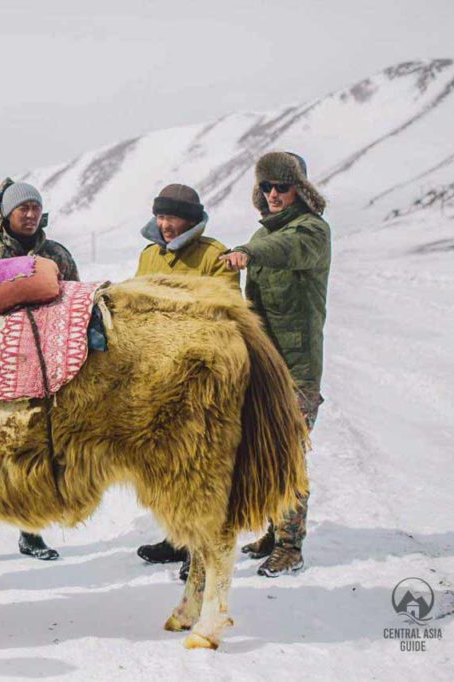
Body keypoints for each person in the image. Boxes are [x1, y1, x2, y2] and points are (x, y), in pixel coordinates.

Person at [219, 150, 330, 578]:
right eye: (265, 187)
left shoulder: (312, 232)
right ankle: (272, 528)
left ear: (299, 188)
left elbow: (287, 249)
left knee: (289, 453)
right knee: (263, 446)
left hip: (298, 369)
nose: (272, 194)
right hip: (266, 362)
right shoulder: (264, 234)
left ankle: (290, 546)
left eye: (281, 186)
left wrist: (249, 251)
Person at [0, 178, 77, 569]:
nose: (30, 214)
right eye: (22, 208)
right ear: (6, 212)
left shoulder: (57, 255)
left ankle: (31, 531)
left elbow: (75, 303)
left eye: (35, 208)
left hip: (43, 366)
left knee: (35, 447)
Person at [133, 183, 239, 581]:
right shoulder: (149, 255)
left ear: (190, 219)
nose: (164, 224)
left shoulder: (214, 256)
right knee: (162, 463)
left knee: (197, 464)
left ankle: (199, 549)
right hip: (155, 373)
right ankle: (176, 537)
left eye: (171, 217)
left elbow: (225, 312)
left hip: (197, 375)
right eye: (160, 216)